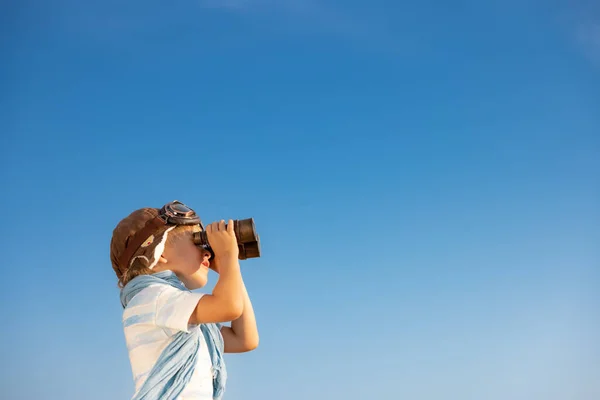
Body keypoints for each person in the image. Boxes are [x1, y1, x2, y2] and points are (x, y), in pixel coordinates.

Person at [109, 200, 259, 400]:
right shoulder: (152, 297)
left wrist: (230, 269)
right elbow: (229, 307)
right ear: (160, 253)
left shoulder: (176, 312)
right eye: (198, 242)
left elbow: (244, 339)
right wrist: (227, 257)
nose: (207, 251)